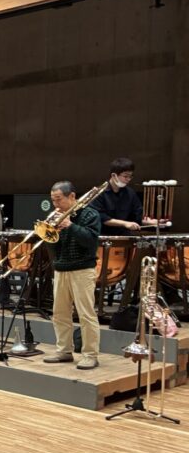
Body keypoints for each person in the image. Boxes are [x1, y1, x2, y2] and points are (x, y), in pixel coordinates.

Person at [44, 181, 101, 370]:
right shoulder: (57, 217)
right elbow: (54, 249)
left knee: (86, 314)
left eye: (59, 199)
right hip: (61, 269)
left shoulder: (89, 214)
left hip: (82, 270)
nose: (56, 204)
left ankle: (90, 355)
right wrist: (51, 232)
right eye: (53, 200)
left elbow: (90, 241)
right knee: (59, 313)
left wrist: (70, 225)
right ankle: (64, 351)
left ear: (72, 196)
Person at [92, 157, 158, 236]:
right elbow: (101, 217)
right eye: (126, 176)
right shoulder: (98, 193)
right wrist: (125, 223)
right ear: (114, 175)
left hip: (123, 236)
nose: (128, 179)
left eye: (130, 176)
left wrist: (150, 222)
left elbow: (138, 214)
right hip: (102, 236)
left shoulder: (130, 193)